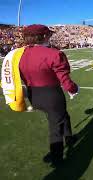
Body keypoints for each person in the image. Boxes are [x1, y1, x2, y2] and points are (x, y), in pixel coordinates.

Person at [1, 24, 78, 166]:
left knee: (62, 116)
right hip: (52, 95)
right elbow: (65, 80)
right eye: (48, 35)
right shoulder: (54, 53)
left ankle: (69, 137)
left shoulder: (17, 55)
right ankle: (57, 158)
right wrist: (73, 89)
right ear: (43, 36)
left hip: (33, 95)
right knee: (56, 126)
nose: (50, 37)